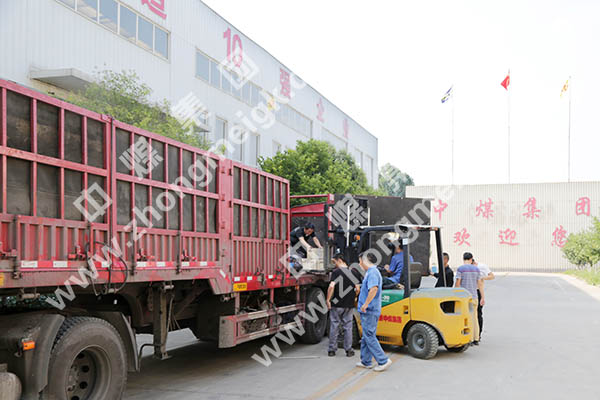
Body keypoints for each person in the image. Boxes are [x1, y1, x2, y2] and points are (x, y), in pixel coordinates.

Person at [356, 252, 392, 372]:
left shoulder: (372, 273)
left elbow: (374, 289)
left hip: (369, 310)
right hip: (369, 310)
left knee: (369, 336)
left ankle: (383, 360)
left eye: (360, 261)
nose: (359, 264)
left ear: (365, 261)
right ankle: (366, 361)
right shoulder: (371, 272)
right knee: (366, 336)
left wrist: (365, 304)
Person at [326, 252, 361, 357]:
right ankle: (349, 350)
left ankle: (332, 350)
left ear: (340, 260)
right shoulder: (353, 272)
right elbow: (358, 288)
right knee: (348, 327)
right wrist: (354, 297)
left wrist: (328, 299)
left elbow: (331, 287)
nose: (334, 264)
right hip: (349, 305)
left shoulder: (336, 272)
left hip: (337, 304)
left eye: (335, 261)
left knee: (334, 326)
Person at [455, 252, 484, 345]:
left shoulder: (460, 269)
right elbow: (480, 284)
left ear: (463, 259)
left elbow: (458, 282)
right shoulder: (476, 269)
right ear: (471, 259)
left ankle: (469, 339)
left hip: (465, 298)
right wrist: (482, 297)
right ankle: (476, 338)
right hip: (475, 296)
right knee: (474, 318)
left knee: (467, 318)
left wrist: (455, 293)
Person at [473, 259, 494, 339]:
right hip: (469, 291)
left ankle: (478, 335)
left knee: (478, 313)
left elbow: (492, 276)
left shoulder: (482, 266)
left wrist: (482, 278)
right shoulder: (467, 268)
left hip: (478, 291)